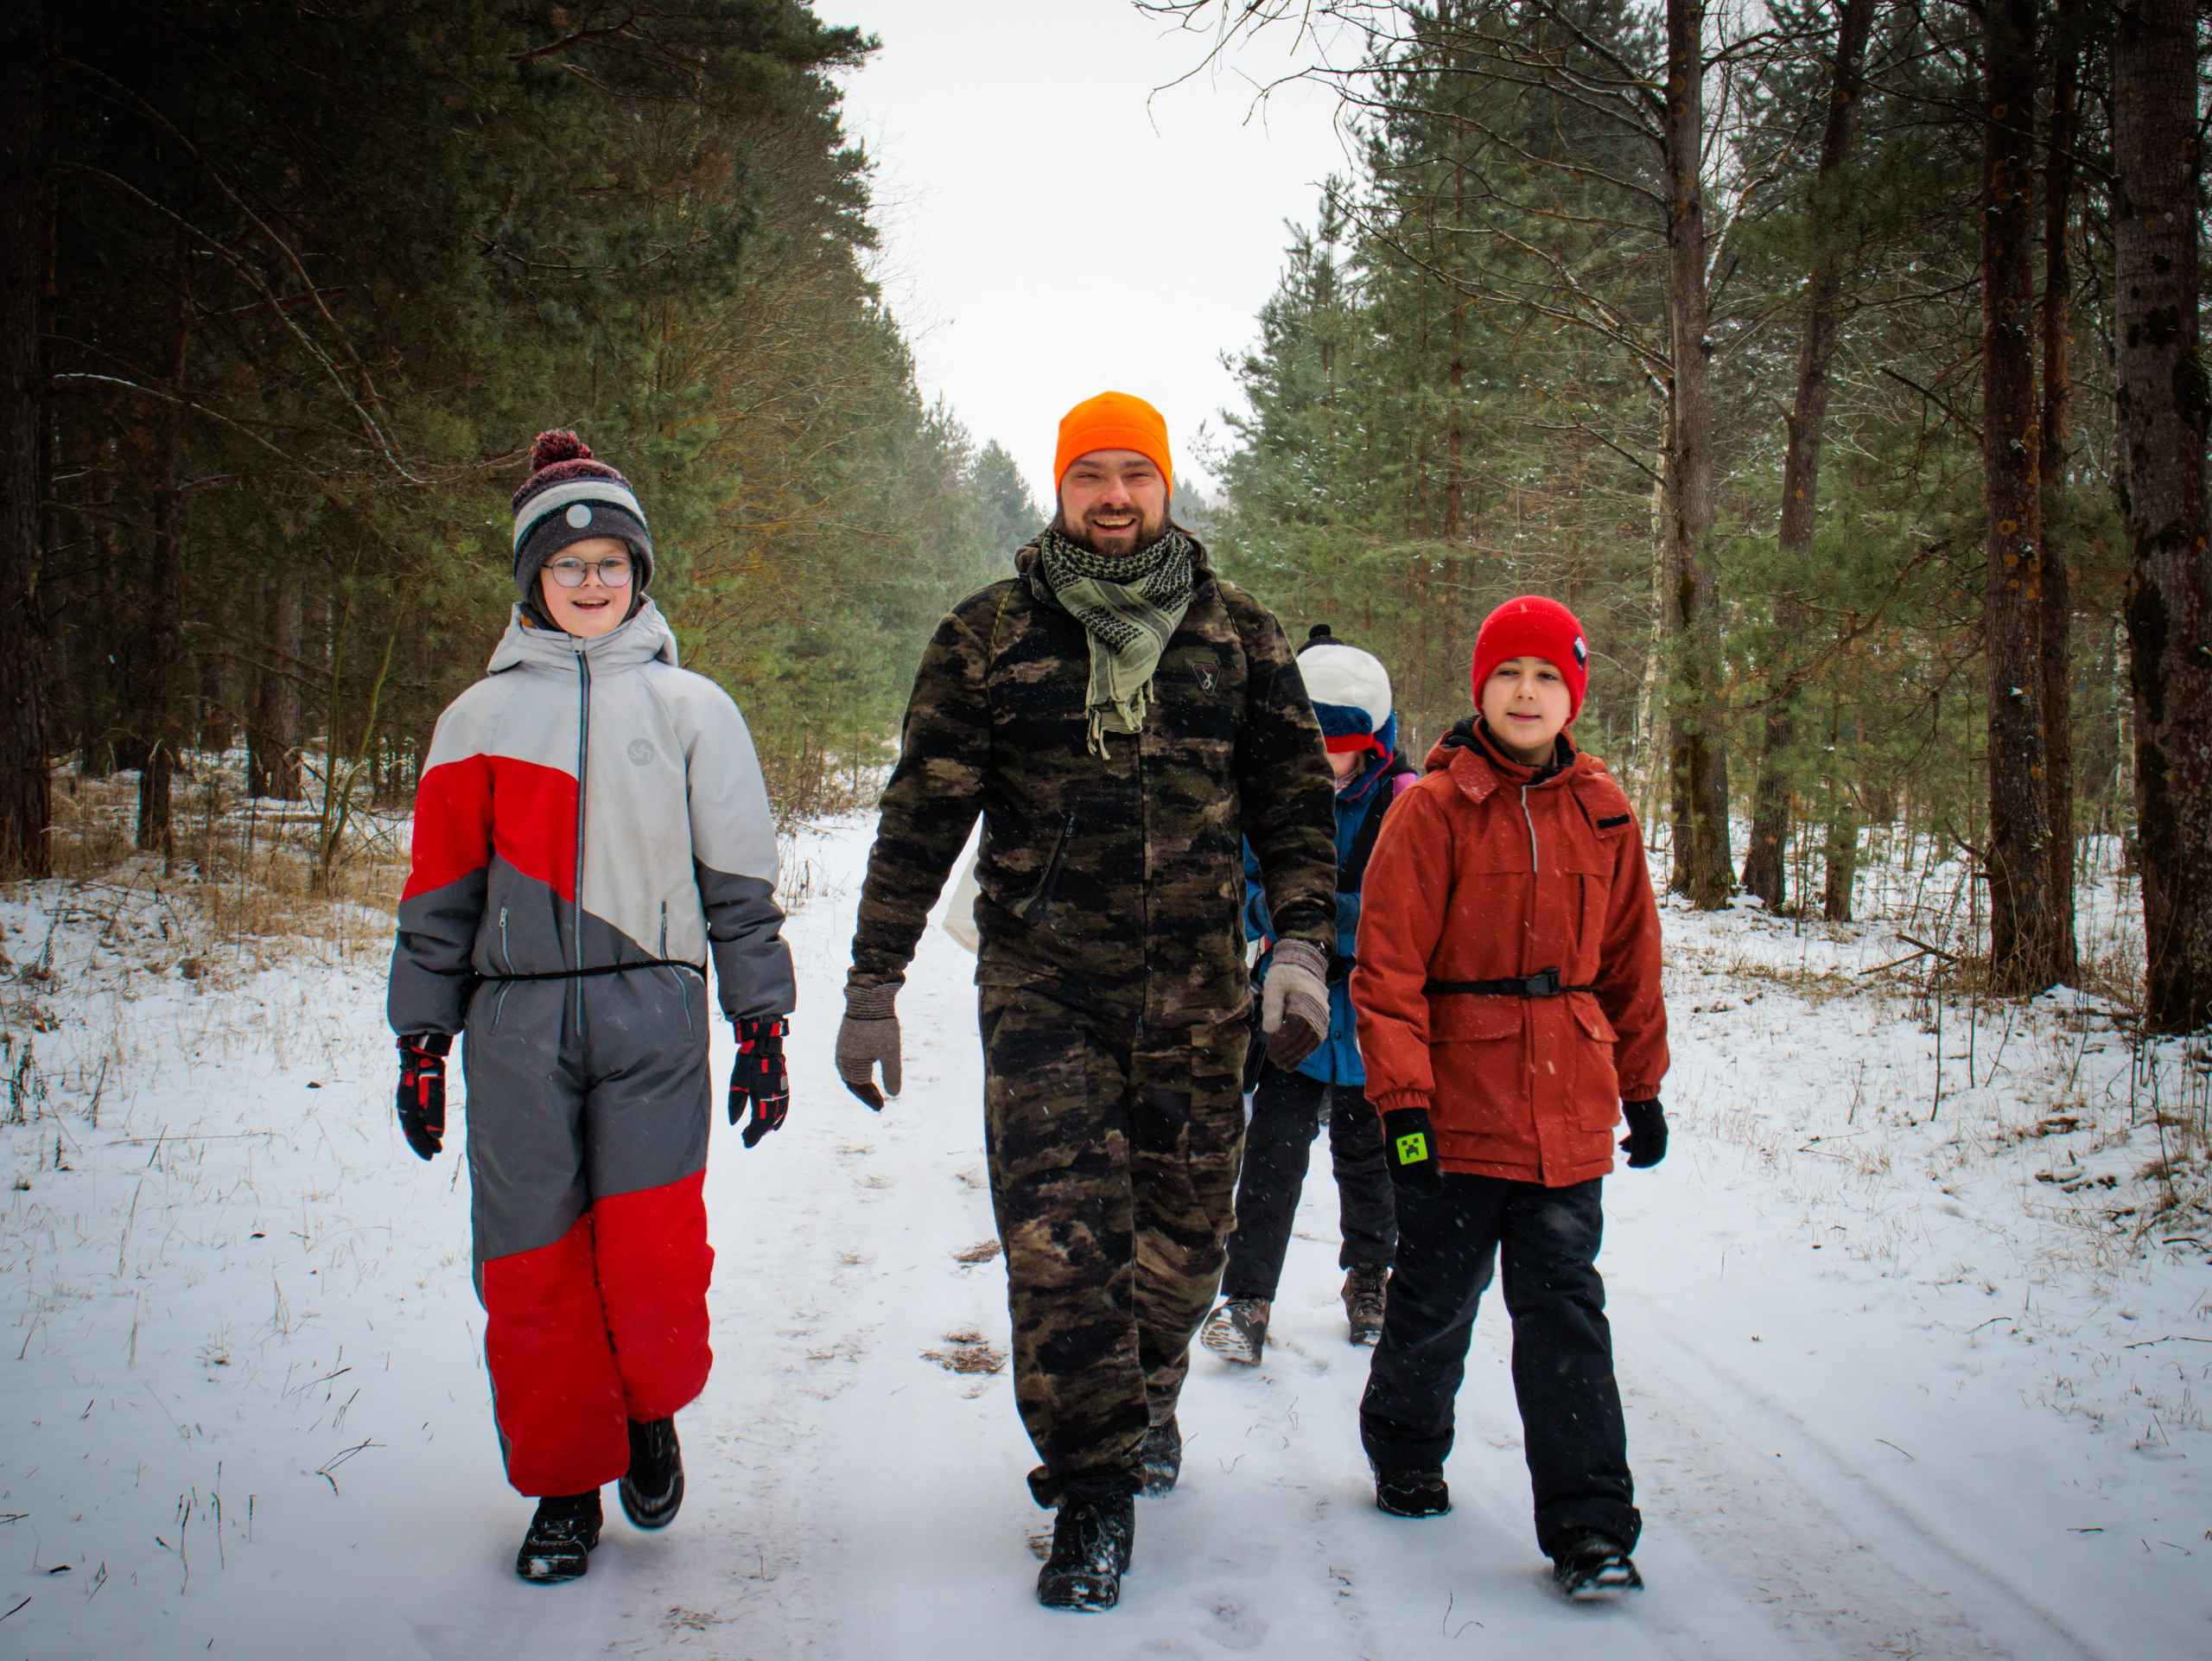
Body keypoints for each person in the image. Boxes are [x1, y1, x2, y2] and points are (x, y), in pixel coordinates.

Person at [836, 392, 1338, 1612]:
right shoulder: (989, 634)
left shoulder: (1239, 634)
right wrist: (873, 980)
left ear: (1165, 485)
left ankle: (1146, 1396)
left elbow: (1295, 805)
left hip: (1202, 996)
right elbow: (922, 813)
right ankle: (1090, 1490)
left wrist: (1301, 948)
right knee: (1064, 1247)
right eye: (1090, 476)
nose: (1114, 496)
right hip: (1043, 991)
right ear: (1059, 490)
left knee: (1185, 1245)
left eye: (1134, 474)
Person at [387, 430, 795, 1584]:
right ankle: (566, 1484)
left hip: (651, 1013)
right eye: (567, 565)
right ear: (532, 578)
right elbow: (438, 894)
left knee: (651, 1253)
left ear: (639, 572)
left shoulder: (692, 707)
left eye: (611, 562)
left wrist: (760, 1023)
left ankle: (648, 1411)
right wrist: (421, 1040)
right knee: (531, 1266)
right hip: (513, 1026)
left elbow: (740, 885)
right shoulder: (476, 718)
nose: (591, 581)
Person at [1348, 595, 1669, 1600]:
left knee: (1566, 1311)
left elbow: (1632, 959)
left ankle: (1590, 1524)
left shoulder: (1604, 810)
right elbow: (1387, 968)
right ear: (1480, 688)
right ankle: (1405, 1445)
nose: (1526, 693)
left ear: (1572, 694)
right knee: (1435, 1297)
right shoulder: (1431, 809)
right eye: (1507, 674)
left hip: (1567, 1107)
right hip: (1455, 1109)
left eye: (1545, 677)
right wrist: (1402, 1103)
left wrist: (1642, 1085)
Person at [1201, 627, 1414, 1365]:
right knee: (1271, 1159)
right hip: (1290, 1014)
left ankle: (1371, 1278)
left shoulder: (1405, 807)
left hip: (1374, 1021)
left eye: (1340, 747)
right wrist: (1281, 916)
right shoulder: (1268, 801)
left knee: (1370, 1161)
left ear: (1373, 745)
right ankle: (1247, 1299)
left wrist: (1321, 918)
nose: (1324, 761)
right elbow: (1242, 891)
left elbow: (1408, 907)